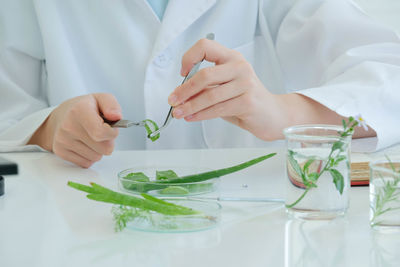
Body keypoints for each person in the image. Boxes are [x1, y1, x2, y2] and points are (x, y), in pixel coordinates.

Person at [0, 0, 398, 168]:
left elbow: (390, 73)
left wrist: (282, 113)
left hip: (248, 239)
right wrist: (47, 128)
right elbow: (8, 108)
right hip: (79, 235)